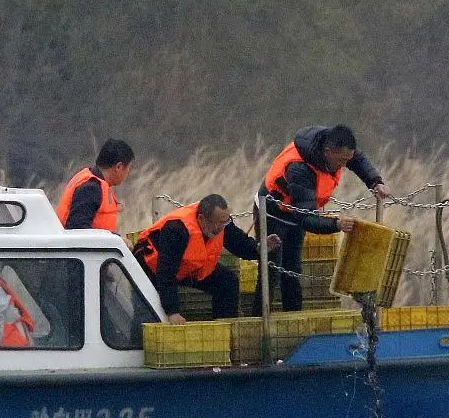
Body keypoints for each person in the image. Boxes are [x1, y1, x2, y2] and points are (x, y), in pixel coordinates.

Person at [257, 124, 391, 312]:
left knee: (293, 268)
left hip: (299, 209)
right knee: (271, 270)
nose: (344, 165)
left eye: (347, 159)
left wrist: (375, 182)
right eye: (341, 161)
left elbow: (358, 159)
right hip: (272, 212)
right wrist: (336, 224)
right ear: (327, 152)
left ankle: (294, 316)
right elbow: (306, 218)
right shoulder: (300, 168)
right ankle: (259, 318)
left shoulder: (338, 147)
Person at [133, 193, 280, 324]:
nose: (221, 228)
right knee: (145, 311)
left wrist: (259, 248)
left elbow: (239, 243)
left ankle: (225, 330)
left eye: (225, 222)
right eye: (217, 223)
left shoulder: (222, 224)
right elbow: (165, 273)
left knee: (227, 281)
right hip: (151, 267)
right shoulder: (177, 230)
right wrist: (173, 312)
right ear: (202, 219)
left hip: (188, 268)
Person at [55, 138, 134, 232]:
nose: (128, 172)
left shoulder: (96, 184)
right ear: (118, 167)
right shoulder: (91, 188)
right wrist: (115, 239)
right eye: (129, 167)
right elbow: (78, 230)